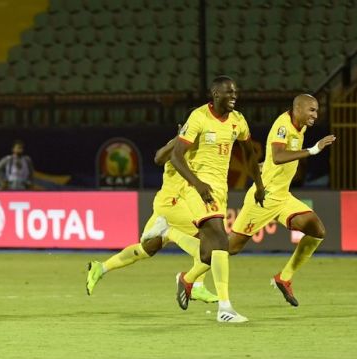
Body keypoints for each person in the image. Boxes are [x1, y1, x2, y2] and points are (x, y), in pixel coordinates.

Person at [167, 76, 265, 323]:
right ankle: (225, 309)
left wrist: (259, 185)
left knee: (213, 252)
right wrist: (197, 183)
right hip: (196, 187)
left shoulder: (237, 121)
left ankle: (187, 279)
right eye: (228, 92)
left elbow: (250, 155)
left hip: (219, 190)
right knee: (222, 241)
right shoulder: (199, 117)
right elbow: (177, 156)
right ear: (214, 93)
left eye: (235, 92)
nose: (233, 96)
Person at [86, 125, 218, 304]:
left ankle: (100, 268)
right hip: (173, 205)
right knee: (208, 242)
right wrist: (179, 138)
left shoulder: (203, 149)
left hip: (168, 205)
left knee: (148, 248)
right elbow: (159, 157)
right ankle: (196, 285)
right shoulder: (179, 144)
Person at [229, 94, 335, 306]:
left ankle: (284, 278)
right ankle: (190, 278)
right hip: (265, 196)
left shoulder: (301, 126)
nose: (316, 114)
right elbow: (278, 156)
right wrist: (313, 150)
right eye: (312, 110)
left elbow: (274, 157)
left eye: (317, 110)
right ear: (297, 108)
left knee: (316, 230)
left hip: (283, 196)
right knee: (230, 248)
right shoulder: (283, 125)